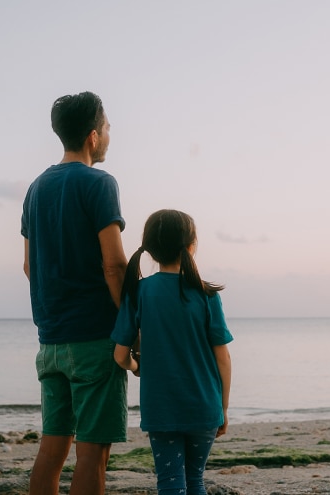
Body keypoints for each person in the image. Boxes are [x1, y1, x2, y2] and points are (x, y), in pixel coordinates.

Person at [21, 91, 129, 495]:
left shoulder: (35, 188)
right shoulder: (100, 183)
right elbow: (114, 265)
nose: (108, 134)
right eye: (107, 127)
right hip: (95, 338)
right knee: (92, 453)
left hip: (50, 341)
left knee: (53, 447)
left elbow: (30, 266)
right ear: (93, 137)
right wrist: (129, 322)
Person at [111, 209, 234, 495]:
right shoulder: (206, 295)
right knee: (196, 482)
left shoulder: (139, 292)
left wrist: (135, 364)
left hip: (161, 408)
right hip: (204, 405)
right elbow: (223, 359)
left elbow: (119, 356)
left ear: (151, 250)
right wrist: (223, 409)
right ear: (191, 245)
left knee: (170, 483)